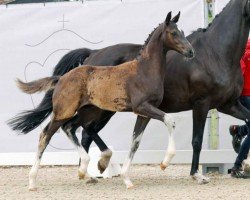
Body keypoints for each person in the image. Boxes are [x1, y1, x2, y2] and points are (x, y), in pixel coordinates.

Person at [230, 40, 250, 178]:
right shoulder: (246, 52)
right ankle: (237, 166)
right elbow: (239, 74)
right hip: (246, 96)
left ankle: (238, 130)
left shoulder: (243, 48)